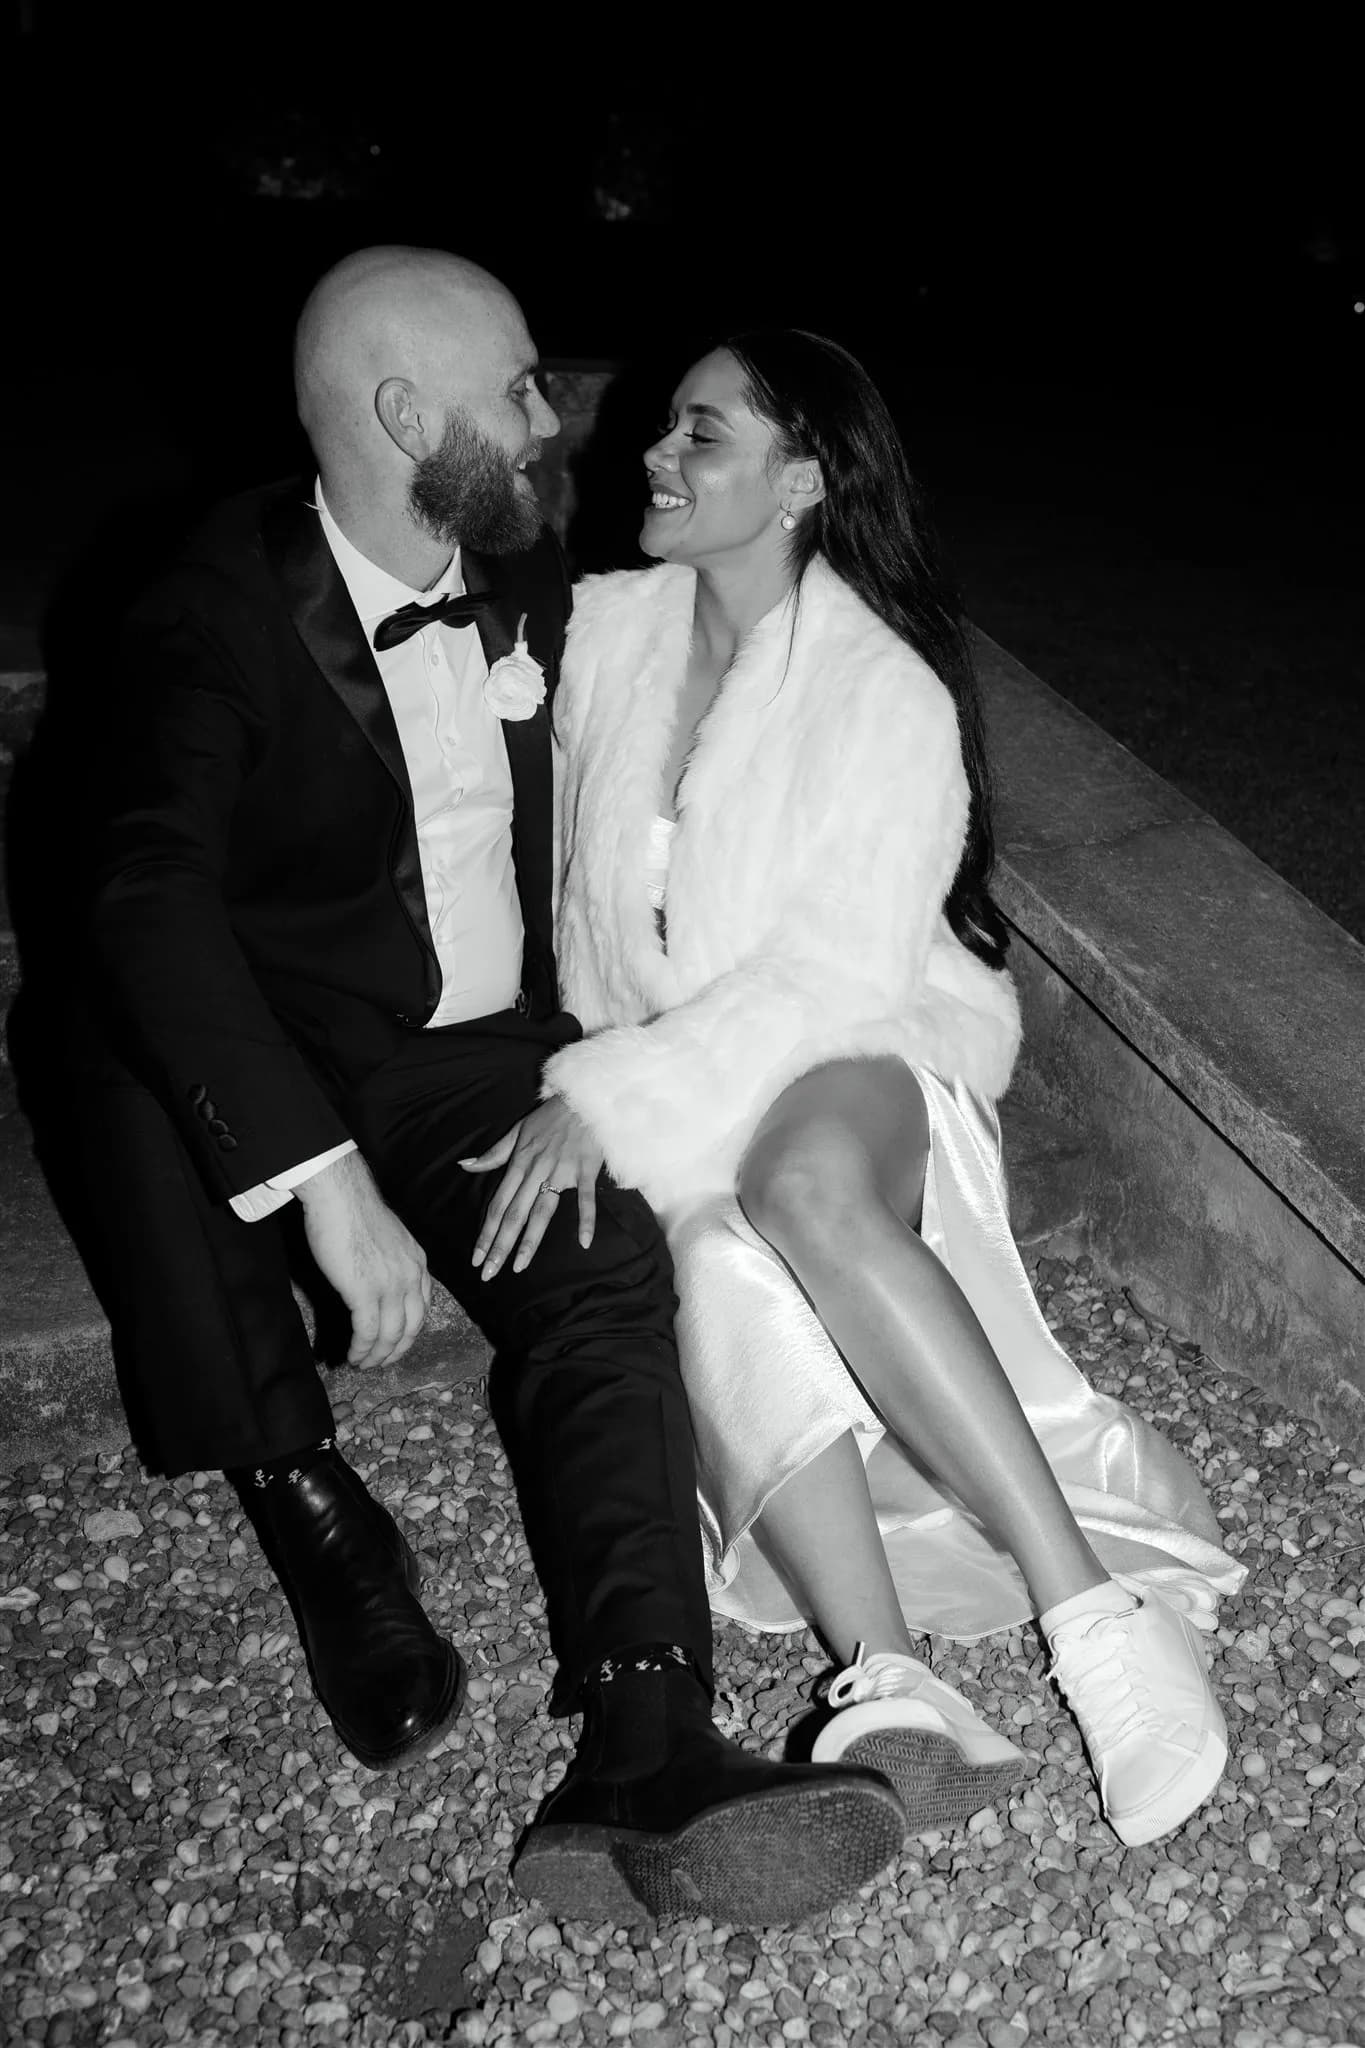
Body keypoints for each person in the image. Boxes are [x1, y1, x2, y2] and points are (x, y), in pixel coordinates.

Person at [77, 251, 914, 1925]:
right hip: (287, 1029)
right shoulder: (207, 608)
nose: (558, 417)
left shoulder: (542, 581)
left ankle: (649, 1725)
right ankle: (316, 1513)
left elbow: (744, 678)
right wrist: (322, 1181)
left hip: (475, 1052)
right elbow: (145, 887)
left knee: (600, 1245)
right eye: (520, 385)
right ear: (405, 416)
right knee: (111, 1052)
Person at [469, 330, 1248, 1851]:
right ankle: (889, 1677)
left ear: (801, 479)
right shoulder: (604, 636)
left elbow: (829, 977)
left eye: (701, 437)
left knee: (795, 1189)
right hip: (678, 1073)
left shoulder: (880, 691)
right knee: (699, 1250)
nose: (653, 456)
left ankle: (1099, 1628)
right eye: (666, 430)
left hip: (864, 1044)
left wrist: (610, 1095)